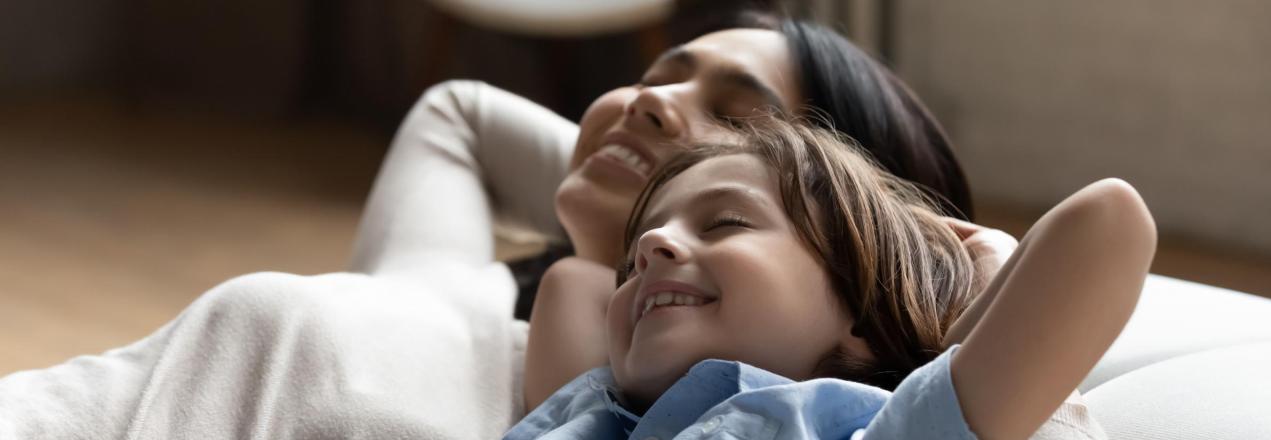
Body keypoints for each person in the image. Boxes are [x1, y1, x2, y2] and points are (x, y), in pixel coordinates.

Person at [0, 14, 1089, 439]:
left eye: (736, 119)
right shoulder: (461, 289)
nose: (658, 100)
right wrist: (639, 200)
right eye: (661, 71)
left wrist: (939, 260)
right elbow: (457, 114)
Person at [509, 119, 1155, 439]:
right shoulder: (601, 411)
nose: (650, 245)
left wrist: (975, 268)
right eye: (633, 262)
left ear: (862, 316)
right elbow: (573, 283)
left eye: (725, 223)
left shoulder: (873, 428)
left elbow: (1111, 221)